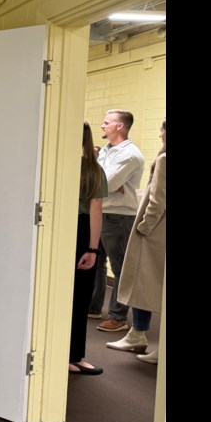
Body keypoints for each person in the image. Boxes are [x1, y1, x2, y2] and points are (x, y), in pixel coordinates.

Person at [106, 118, 166, 363]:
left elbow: (158, 200)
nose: (159, 134)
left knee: (145, 282)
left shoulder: (163, 159)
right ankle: (137, 333)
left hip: (154, 233)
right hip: (157, 231)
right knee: (147, 284)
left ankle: (139, 335)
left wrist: (144, 227)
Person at [93, 110, 145, 332]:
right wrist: (101, 177)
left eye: (107, 122)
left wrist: (103, 178)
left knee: (120, 267)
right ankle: (94, 306)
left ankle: (119, 317)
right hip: (102, 211)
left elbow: (106, 183)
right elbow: (96, 178)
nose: (102, 125)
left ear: (120, 127)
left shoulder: (130, 155)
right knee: (96, 263)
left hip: (119, 217)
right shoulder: (106, 150)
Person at [69, 122, 108, 376]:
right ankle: (74, 355)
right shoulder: (94, 169)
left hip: (54, 228)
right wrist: (93, 249)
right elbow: (95, 210)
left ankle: (62, 354)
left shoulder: (54, 165)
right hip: (82, 230)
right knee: (80, 296)